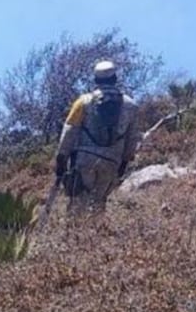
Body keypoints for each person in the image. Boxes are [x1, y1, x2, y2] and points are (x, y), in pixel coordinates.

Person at [55, 61, 139, 209]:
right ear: (115, 79)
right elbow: (132, 138)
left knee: (79, 204)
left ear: (96, 80)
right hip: (112, 161)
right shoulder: (131, 105)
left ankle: (78, 224)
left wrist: (61, 158)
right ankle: (96, 224)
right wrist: (124, 163)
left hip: (84, 160)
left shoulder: (82, 102)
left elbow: (70, 130)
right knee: (99, 203)